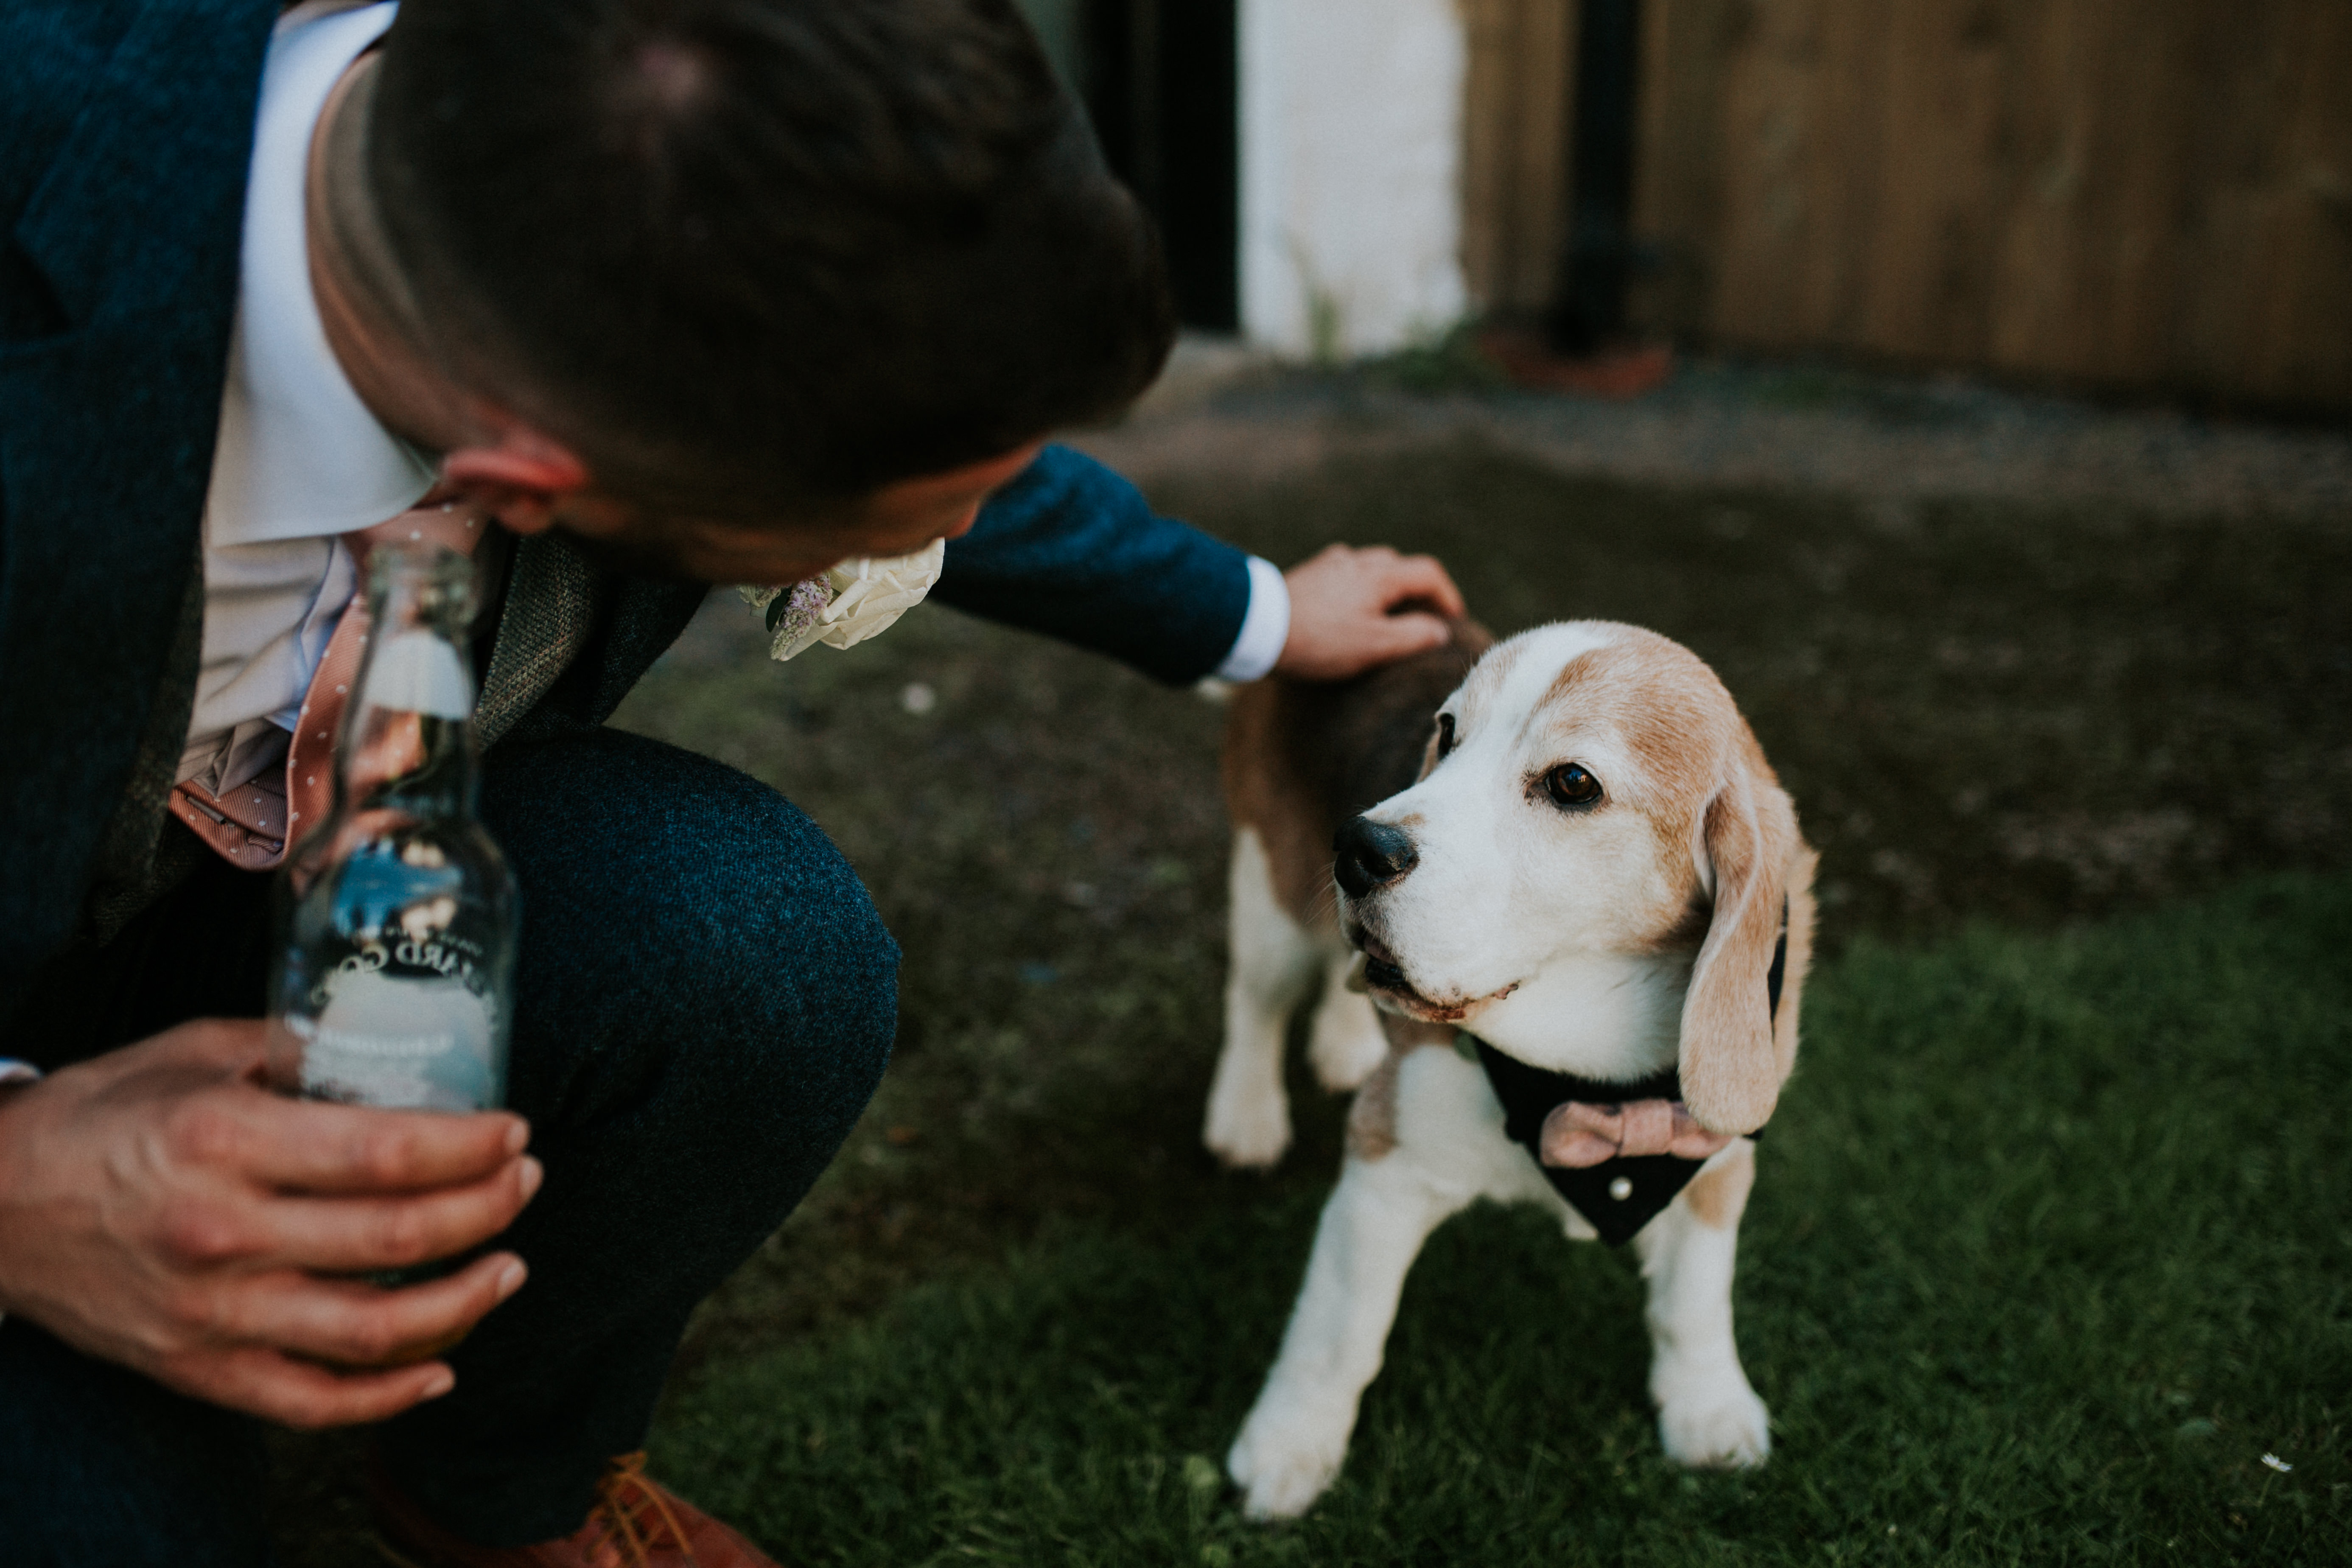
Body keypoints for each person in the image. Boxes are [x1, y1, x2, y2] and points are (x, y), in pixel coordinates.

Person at [0, 1, 1465, 1563]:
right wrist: (27, 1196)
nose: (942, 524)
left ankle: (498, 1489)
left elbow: (897, 409)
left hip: (281, 901)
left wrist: (1254, 616)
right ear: (521, 487)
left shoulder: (599, 176)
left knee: (752, 944)